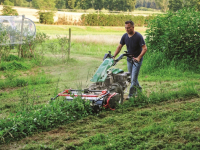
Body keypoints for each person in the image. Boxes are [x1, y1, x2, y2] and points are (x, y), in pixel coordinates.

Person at [113, 20, 147, 99]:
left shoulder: (138, 36)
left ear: (133, 27)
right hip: (129, 60)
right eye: (126, 28)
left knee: (133, 78)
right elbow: (120, 46)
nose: (127, 29)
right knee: (132, 77)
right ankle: (139, 90)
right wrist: (114, 56)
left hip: (136, 60)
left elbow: (145, 48)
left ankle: (131, 95)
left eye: (128, 28)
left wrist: (139, 58)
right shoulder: (125, 36)